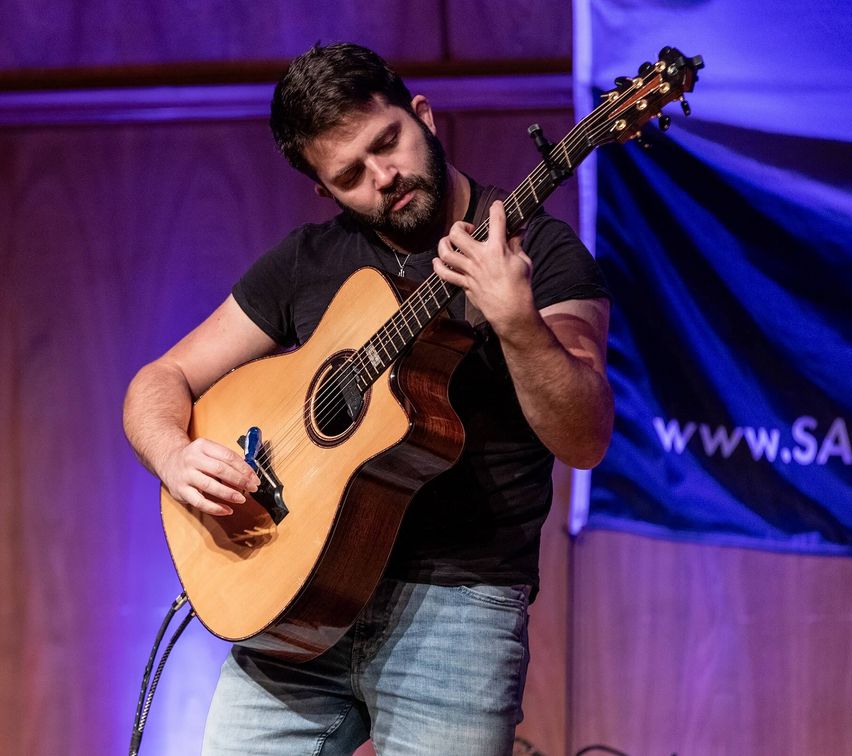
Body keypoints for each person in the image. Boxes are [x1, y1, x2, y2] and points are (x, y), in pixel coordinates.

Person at [122, 42, 613, 755]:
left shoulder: (539, 252)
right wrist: (175, 456)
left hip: (458, 613)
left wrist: (515, 321)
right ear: (325, 190)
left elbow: (585, 435)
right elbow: (158, 381)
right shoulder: (309, 260)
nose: (385, 177)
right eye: (350, 174)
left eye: (389, 143)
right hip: (292, 601)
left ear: (423, 116)